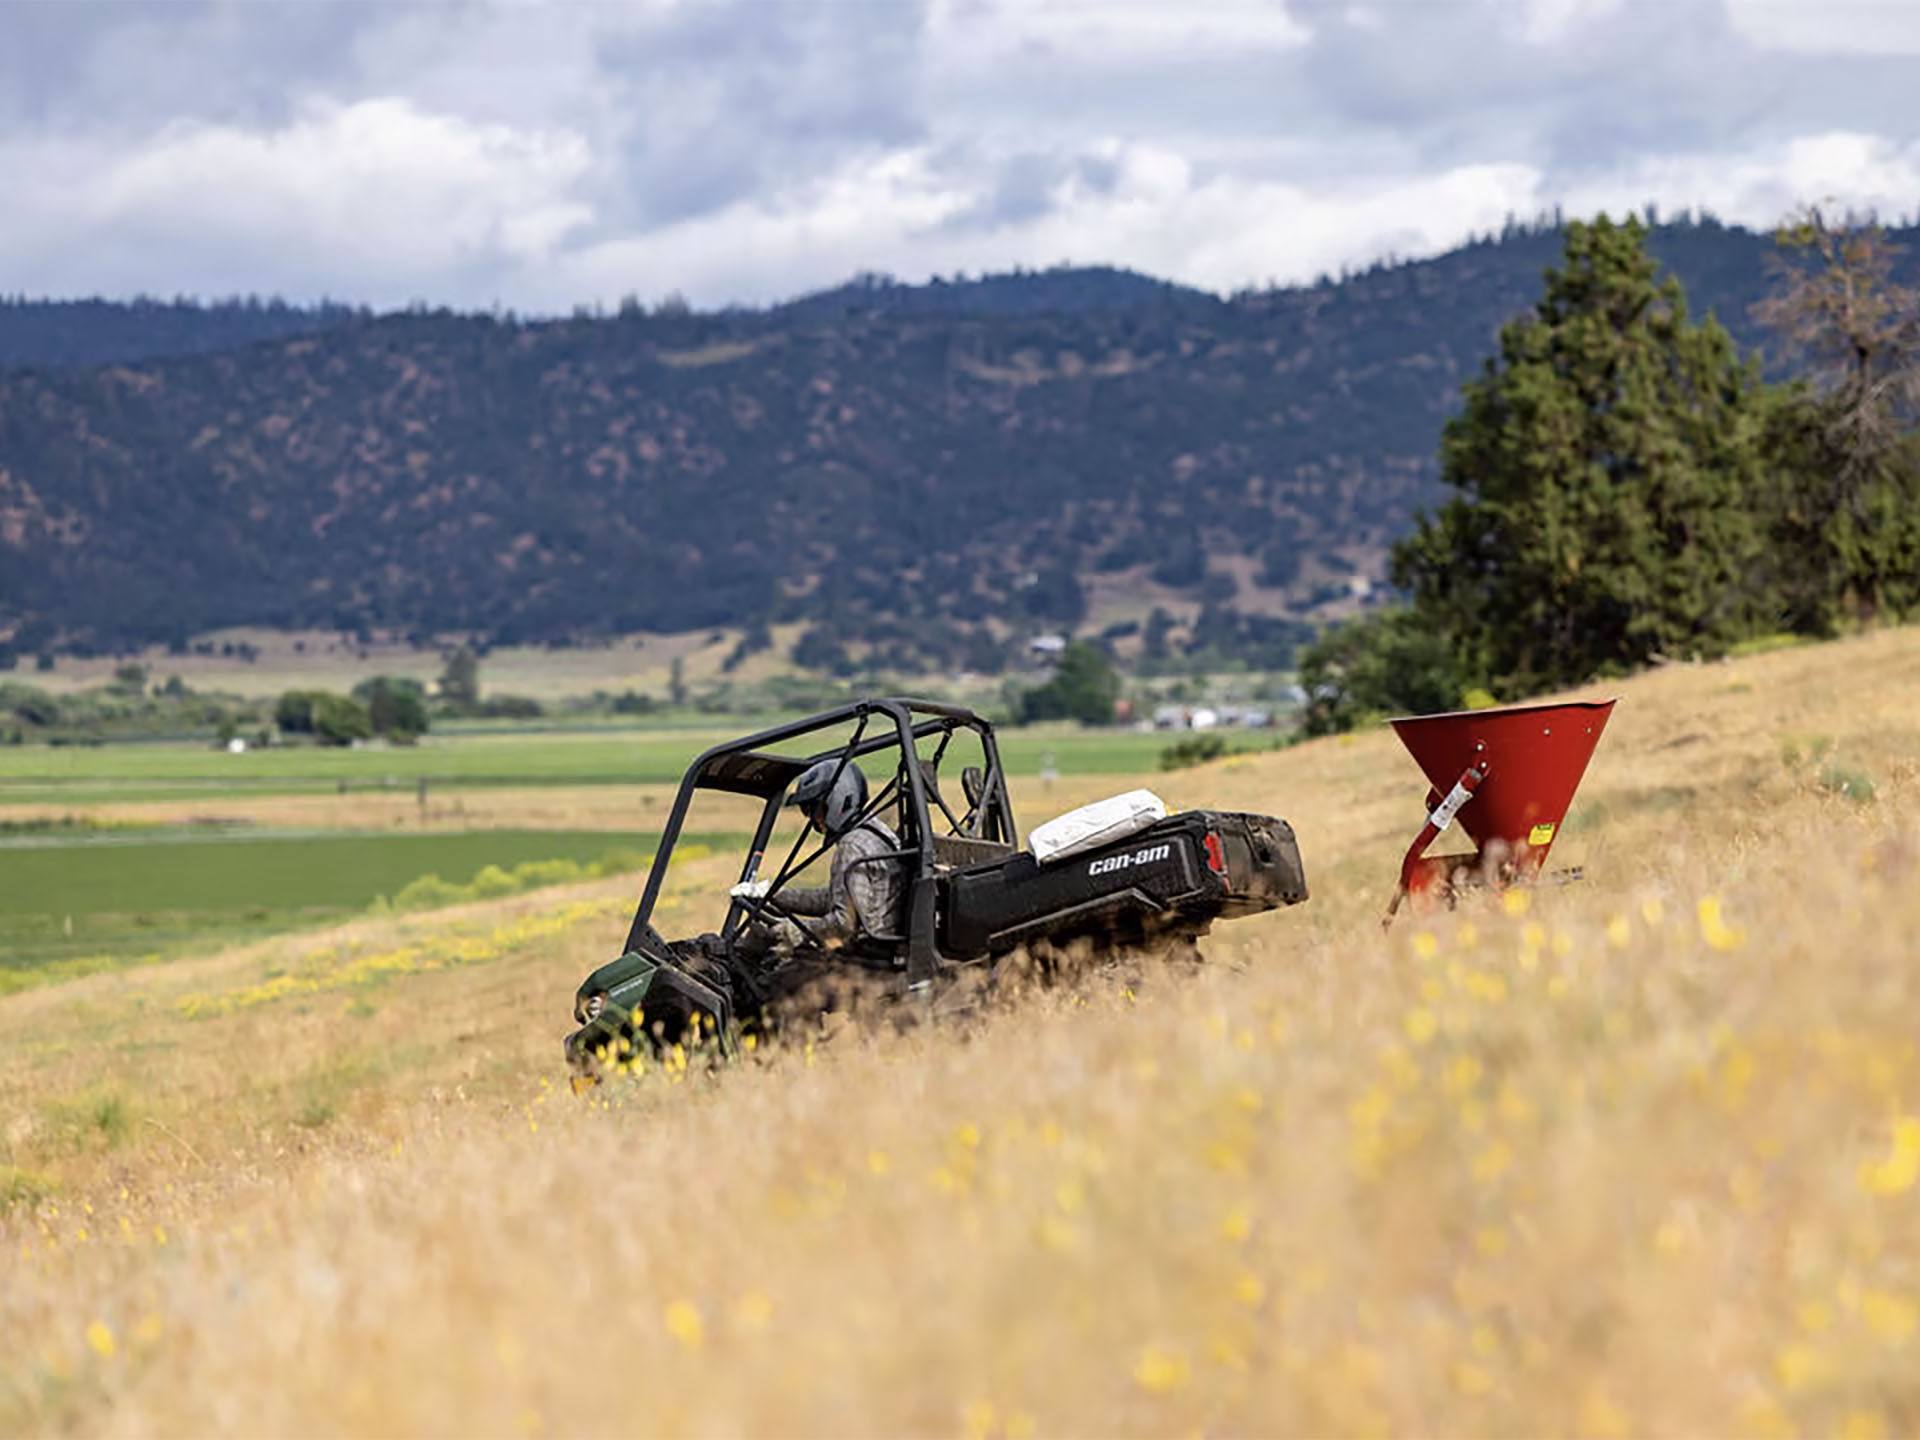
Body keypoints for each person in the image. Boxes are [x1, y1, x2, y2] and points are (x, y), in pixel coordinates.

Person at [729, 758, 905, 956]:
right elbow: (836, 898)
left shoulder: (852, 846)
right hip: (882, 944)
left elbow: (844, 925)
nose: (814, 819)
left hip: (867, 954)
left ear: (837, 800)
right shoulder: (875, 831)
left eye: (814, 809)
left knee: (768, 976)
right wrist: (775, 896)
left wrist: (792, 930)